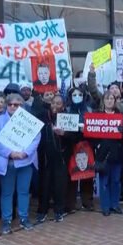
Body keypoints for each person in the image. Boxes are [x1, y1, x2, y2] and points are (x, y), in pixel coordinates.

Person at [0, 93, 41, 234]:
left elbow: (36, 138)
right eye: (10, 104)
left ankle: (24, 218)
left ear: (22, 106)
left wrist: (25, 153)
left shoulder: (30, 121)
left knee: (23, 191)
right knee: (7, 193)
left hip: (25, 162)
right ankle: (6, 220)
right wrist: (10, 153)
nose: (12, 106)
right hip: (7, 163)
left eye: (16, 105)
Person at [38, 94, 70, 222]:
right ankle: (42, 210)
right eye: (53, 103)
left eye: (58, 103)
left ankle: (59, 210)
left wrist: (64, 134)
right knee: (44, 185)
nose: (55, 106)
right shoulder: (43, 116)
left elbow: (75, 136)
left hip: (61, 157)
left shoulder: (67, 118)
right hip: (45, 156)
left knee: (59, 185)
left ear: (63, 105)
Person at [95, 93, 123, 217]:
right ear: (103, 101)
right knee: (104, 182)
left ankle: (115, 204)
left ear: (115, 101)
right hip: (103, 154)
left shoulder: (120, 116)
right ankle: (105, 206)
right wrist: (97, 145)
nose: (109, 100)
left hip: (117, 153)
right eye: (107, 98)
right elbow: (92, 134)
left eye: (111, 98)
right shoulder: (97, 115)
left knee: (116, 180)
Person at [63, 87, 95, 213]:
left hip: (86, 144)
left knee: (87, 173)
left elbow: (94, 127)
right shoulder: (66, 110)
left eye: (80, 94)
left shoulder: (89, 110)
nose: (77, 97)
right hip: (72, 145)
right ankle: (70, 204)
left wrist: (86, 131)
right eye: (74, 94)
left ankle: (87, 202)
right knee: (72, 174)